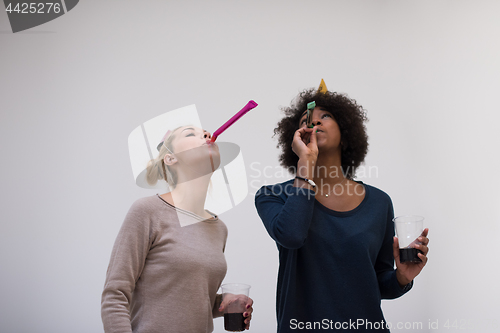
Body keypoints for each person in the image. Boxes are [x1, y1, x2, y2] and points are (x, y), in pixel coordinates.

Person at [255, 85, 429, 333]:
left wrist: (402, 276)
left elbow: (379, 283)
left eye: (324, 116)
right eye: (306, 120)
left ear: (346, 134)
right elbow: (291, 235)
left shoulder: (379, 202)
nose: (314, 121)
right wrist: (306, 163)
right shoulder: (273, 196)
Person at [102, 126, 253, 333]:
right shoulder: (147, 211)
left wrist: (223, 302)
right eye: (191, 133)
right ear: (170, 158)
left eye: (206, 132)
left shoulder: (219, 228)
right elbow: (115, 295)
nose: (207, 135)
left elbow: (186, 301)